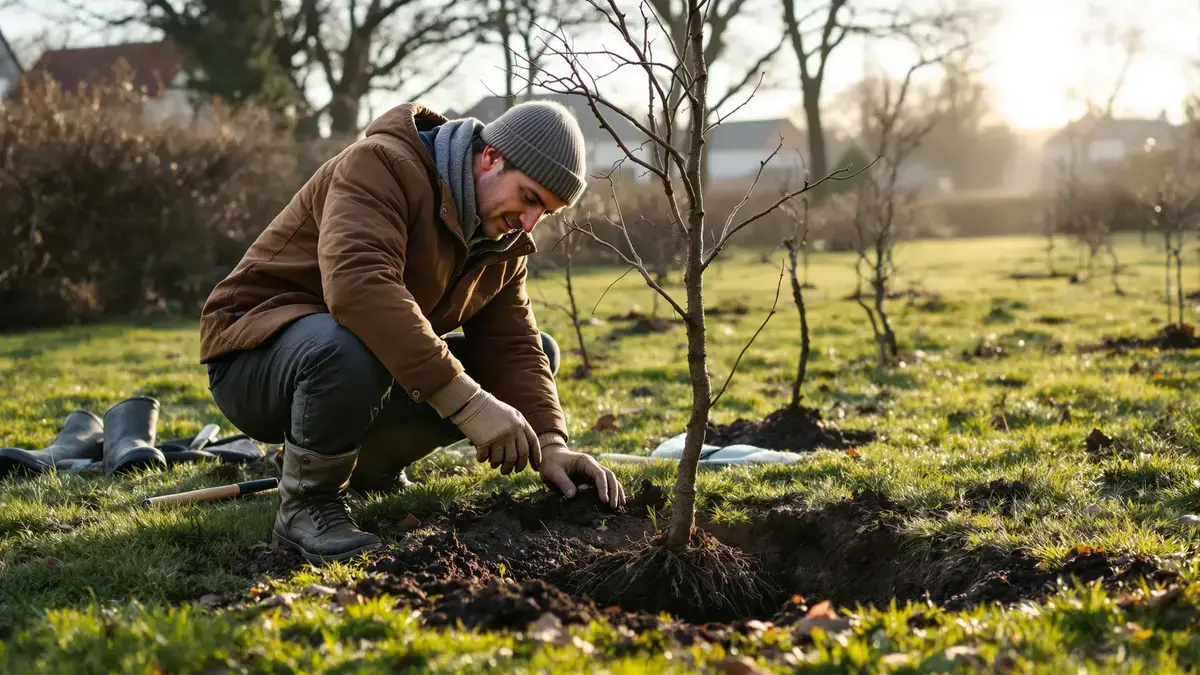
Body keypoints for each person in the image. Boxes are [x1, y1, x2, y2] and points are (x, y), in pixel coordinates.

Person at [198, 101, 626, 563]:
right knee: (351, 344)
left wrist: (550, 442)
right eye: (528, 198)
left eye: (546, 212)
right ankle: (308, 505)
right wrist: (470, 404)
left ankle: (368, 469)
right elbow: (360, 289)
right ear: (490, 158)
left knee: (541, 351)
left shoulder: (502, 241)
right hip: (253, 357)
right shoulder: (379, 165)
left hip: (348, 358)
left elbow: (512, 347)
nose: (529, 223)